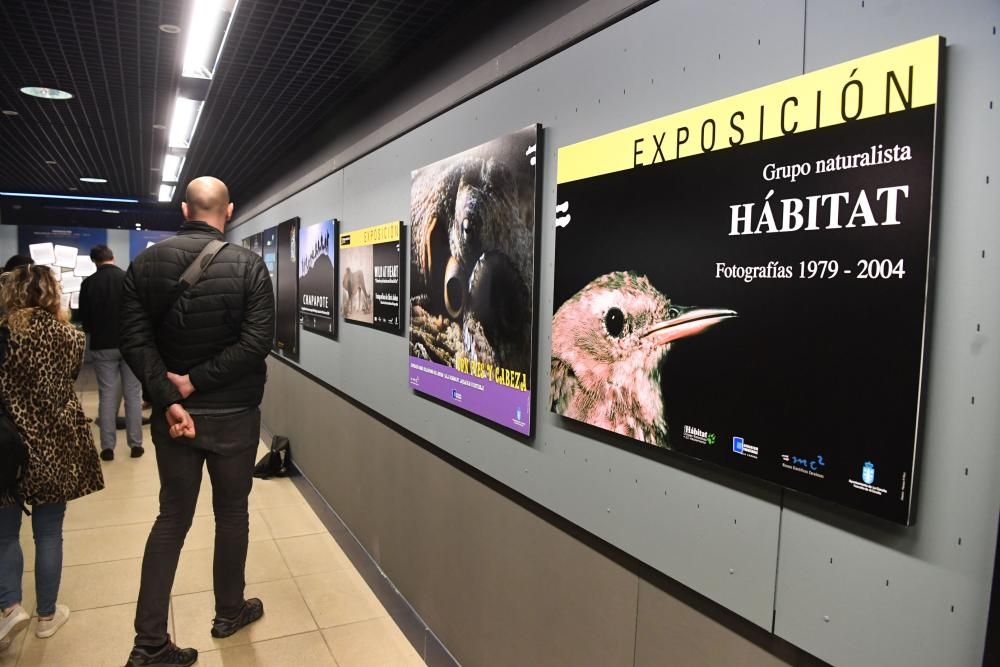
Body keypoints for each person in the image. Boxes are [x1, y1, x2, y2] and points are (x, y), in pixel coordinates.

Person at [120, 176, 274, 667]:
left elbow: (134, 342)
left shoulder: (144, 265)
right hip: (233, 417)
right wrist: (196, 382)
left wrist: (171, 396)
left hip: (175, 421)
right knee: (232, 514)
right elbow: (255, 344)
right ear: (227, 211)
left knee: (171, 519)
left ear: (184, 208)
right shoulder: (250, 266)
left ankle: (149, 643)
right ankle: (229, 612)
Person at [0, 265, 104, 651]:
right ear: (53, 294)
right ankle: (46, 616)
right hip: (53, 444)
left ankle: (10, 608)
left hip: (6, 446)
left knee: (5, 533)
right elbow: (66, 382)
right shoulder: (71, 337)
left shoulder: (3, 333)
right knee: (48, 532)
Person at [79, 244, 144, 461]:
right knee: (133, 395)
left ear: (94, 261)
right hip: (130, 345)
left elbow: (85, 320)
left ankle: (108, 447)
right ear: (113, 257)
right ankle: (136, 444)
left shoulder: (88, 284)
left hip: (102, 345)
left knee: (107, 395)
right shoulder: (128, 279)